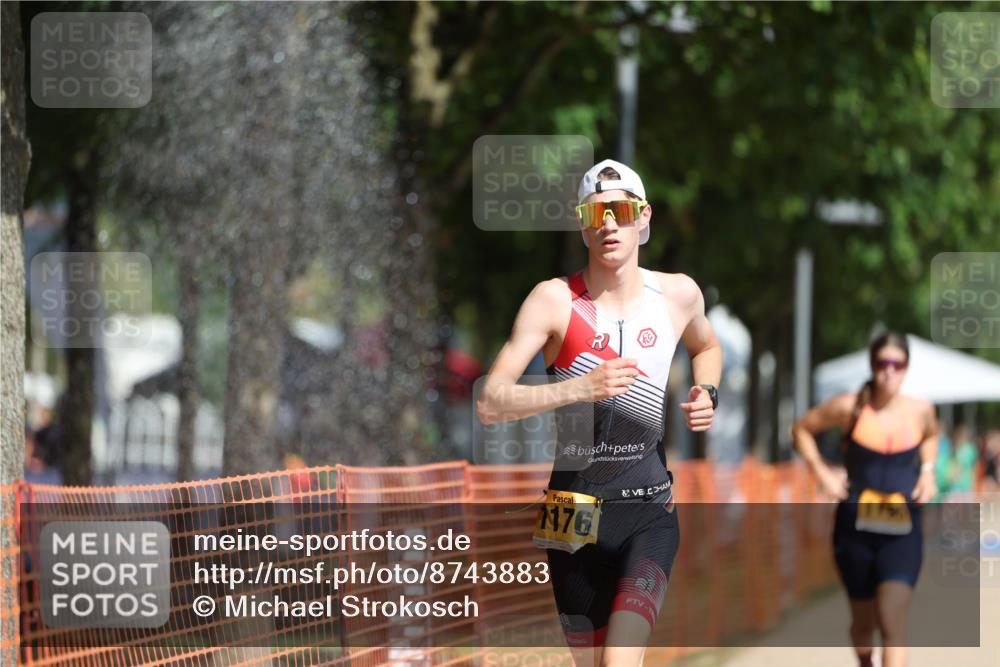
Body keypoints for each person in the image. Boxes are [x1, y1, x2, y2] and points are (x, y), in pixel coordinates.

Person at [477, 159, 722, 667]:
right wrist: (576, 389)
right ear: (582, 223)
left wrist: (708, 392)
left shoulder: (678, 294)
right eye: (595, 213)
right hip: (571, 514)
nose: (608, 223)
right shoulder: (554, 301)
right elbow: (489, 401)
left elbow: (707, 345)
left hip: (648, 509)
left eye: (620, 210)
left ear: (643, 217)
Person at [792, 332, 938, 667]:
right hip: (854, 531)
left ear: (907, 367)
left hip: (903, 532)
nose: (889, 371)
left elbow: (931, 435)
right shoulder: (848, 407)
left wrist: (928, 471)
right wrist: (823, 472)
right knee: (863, 624)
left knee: (891, 621)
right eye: (881, 363)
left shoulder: (920, 410)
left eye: (896, 364)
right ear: (872, 365)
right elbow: (800, 429)